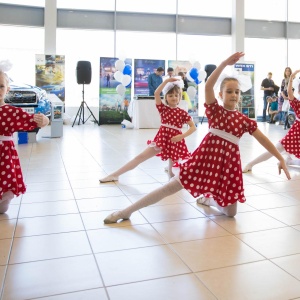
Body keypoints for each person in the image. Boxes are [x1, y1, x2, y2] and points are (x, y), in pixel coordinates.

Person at [103, 52, 290, 224]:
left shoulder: (244, 120)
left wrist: (281, 157)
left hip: (228, 165)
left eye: (237, 92)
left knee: (231, 212)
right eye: (229, 91)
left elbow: (263, 139)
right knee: (171, 187)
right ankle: (127, 211)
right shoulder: (215, 111)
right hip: (205, 159)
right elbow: (208, 85)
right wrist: (225, 63)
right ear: (221, 94)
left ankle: (207, 199)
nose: (234, 95)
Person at [99, 77, 196, 182]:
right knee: (140, 157)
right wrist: (166, 81)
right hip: (161, 140)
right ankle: (115, 174)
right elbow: (156, 93)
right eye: (170, 95)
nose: (174, 98)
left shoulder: (182, 113)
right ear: (166, 97)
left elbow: (193, 127)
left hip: (175, 142)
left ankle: (173, 179)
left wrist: (181, 136)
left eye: (176, 95)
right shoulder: (163, 108)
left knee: (173, 172)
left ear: (180, 97)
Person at [0, 69, 49, 214]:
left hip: (4, 154)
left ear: (7, 89)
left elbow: (33, 121)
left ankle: (3, 201)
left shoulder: (10, 111)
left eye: (1, 86)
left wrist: (44, 121)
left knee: (4, 195)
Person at [243, 68, 300, 172]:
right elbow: (289, 92)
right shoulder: (297, 103)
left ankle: (289, 161)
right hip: (295, 134)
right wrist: (291, 78)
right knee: (273, 150)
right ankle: (251, 164)